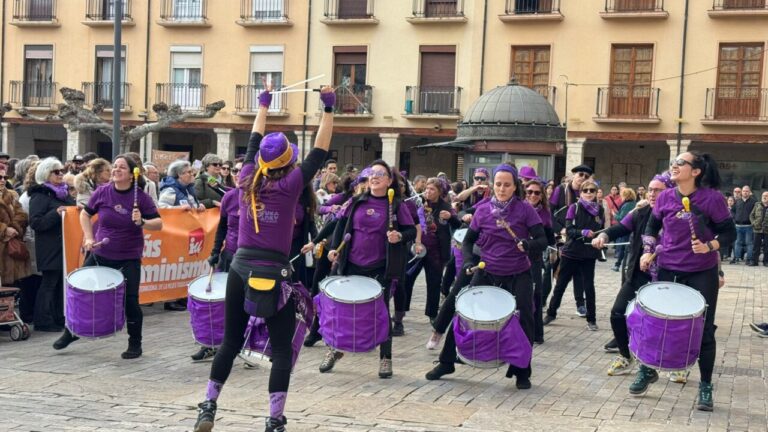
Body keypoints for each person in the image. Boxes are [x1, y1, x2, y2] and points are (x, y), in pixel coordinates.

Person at [193, 86, 334, 432]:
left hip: (240, 267)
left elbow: (254, 139)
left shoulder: (244, 180)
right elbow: (320, 150)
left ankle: (209, 406)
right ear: (288, 161)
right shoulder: (292, 186)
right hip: (274, 270)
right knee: (282, 351)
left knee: (229, 342)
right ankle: (274, 420)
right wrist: (328, 108)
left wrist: (263, 104)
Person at [425, 164, 546, 389]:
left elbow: (542, 240)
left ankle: (522, 370)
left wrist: (528, 245)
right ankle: (446, 361)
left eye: (507, 185)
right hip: (487, 269)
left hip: (518, 272)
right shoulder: (482, 210)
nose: (501, 189)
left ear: (515, 186)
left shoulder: (524, 209)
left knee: (525, 318)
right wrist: (470, 260)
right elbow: (469, 240)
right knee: (463, 311)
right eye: (498, 184)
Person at [637, 151, 735, 411]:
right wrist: (648, 251)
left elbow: (729, 232)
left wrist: (710, 246)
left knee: (704, 330)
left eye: (681, 163)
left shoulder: (712, 199)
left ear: (696, 172)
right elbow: (651, 227)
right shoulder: (666, 197)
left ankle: (705, 385)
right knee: (658, 323)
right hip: (669, 268)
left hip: (702, 272)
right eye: (673, 162)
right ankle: (648, 369)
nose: (674, 165)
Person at [53, 155, 163, 358]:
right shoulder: (103, 192)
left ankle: (135, 343)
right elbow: (85, 214)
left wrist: (143, 223)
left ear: (132, 175)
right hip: (100, 253)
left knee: (130, 300)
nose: (116, 170)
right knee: (80, 292)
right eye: (115, 167)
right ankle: (72, 332)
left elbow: (158, 223)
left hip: (128, 256)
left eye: (122, 168)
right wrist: (88, 237)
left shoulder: (141, 197)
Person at [323, 159, 416, 378]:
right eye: (372, 173)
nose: (374, 176)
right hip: (352, 265)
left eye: (380, 174)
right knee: (343, 312)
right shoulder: (356, 201)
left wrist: (399, 236)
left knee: (380, 314)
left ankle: (385, 358)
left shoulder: (397, 206)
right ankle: (335, 350)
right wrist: (334, 249)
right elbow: (340, 227)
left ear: (390, 181)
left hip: (380, 269)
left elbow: (411, 230)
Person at [591, 175, 670, 375]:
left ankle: (673, 363)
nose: (652, 194)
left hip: (666, 277)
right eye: (650, 189)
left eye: (658, 190)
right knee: (617, 312)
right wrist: (604, 235)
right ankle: (626, 356)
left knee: (665, 323)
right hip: (638, 273)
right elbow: (620, 227)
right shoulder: (641, 212)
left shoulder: (676, 214)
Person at [544, 179, 604, 331]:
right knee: (561, 285)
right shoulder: (574, 207)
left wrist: (601, 238)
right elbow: (569, 230)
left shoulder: (600, 210)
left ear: (597, 192)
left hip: (589, 253)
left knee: (589, 287)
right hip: (572, 252)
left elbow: (601, 229)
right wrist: (582, 232)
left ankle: (592, 319)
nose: (589, 193)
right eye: (586, 190)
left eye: (592, 190)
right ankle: (551, 313)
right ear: (581, 192)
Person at [28, 158, 76, 332]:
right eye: (56, 172)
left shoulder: (63, 193)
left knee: (60, 284)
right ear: (45, 174)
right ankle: (43, 320)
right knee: (49, 283)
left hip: (64, 245)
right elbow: (36, 222)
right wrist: (55, 213)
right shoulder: (40, 194)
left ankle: (58, 316)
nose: (61, 174)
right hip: (49, 247)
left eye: (62, 170)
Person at [159, 160, 205, 312]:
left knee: (184, 266)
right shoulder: (171, 190)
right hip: (174, 235)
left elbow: (190, 208)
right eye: (189, 172)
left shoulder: (188, 190)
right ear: (180, 174)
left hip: (187, 234)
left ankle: (181, 296)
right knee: (173, 267)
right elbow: (162, 208)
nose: (192, 175)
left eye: (192, 172)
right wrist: (178, 208)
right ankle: (170, 300)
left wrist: (198, 208)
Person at [547, 164, 593, 317]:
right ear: (573, 175)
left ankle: (580, 304)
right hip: (560, 235)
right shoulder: (561, 190)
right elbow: (549, 212)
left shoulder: (586, 193)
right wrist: (559, 229)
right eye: (580, 174)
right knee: (555, 271)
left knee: (579, 273)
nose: (582, 178)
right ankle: (545, 304)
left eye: (586, 176)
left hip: (577, 237)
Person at [414, 177, 460, 323]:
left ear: (439, 192)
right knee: (407, 278)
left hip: (437, 251)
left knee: (434, 282)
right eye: (427, 188)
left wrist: (451, 217)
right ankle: (401, 313)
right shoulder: (420, 205)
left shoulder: (446, 207)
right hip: (420, 248)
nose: (428, 191)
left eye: (432, 189)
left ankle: (432, 313)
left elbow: (458, 224)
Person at [524, 178, 554, 344]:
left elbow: (549, 240)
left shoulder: (545, 214)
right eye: (529, 192)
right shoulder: (519, 209)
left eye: (537, 193)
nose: (533, 195)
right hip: (515, 258)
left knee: (536, 294)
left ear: (542, 195)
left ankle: (537, 334)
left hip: (534, 258)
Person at [0, 166, 32, 296]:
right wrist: (4, 229)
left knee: (10, 291)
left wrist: (13, 228)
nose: (2, 180)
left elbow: (22, 215)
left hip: (10, 249)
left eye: (4, 177)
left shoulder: (11, 195)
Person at [612, 188, 636, 272]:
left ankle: (618, 264)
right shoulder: (634, 203)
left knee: (623, 247)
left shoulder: (626, 205)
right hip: (632, 228)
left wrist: (614, 214)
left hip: (626, 229)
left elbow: (622, 218)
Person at [732, 185, 756, 265]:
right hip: (738, 226)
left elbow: (755, 213)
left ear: (749, 192)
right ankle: (736, 258)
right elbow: (733, 211)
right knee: (737, 242)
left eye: (747, 191)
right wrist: (735, 219)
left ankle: (749, 259)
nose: (745, 192)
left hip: (749, 226)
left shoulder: (753, 202)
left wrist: (753, 222)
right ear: (741, 192)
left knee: (749, 243)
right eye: (744, 191)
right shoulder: (737, 201)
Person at [750, 191, 768, 267]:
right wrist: (753, 223)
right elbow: (751, 215)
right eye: (763, 195)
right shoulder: (757, 205)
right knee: (756, 246)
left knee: (767, 247)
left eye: (766, 196)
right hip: (757, 229)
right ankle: (754, 261)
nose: (764, 197)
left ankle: (766, 261)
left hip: (767, 230)